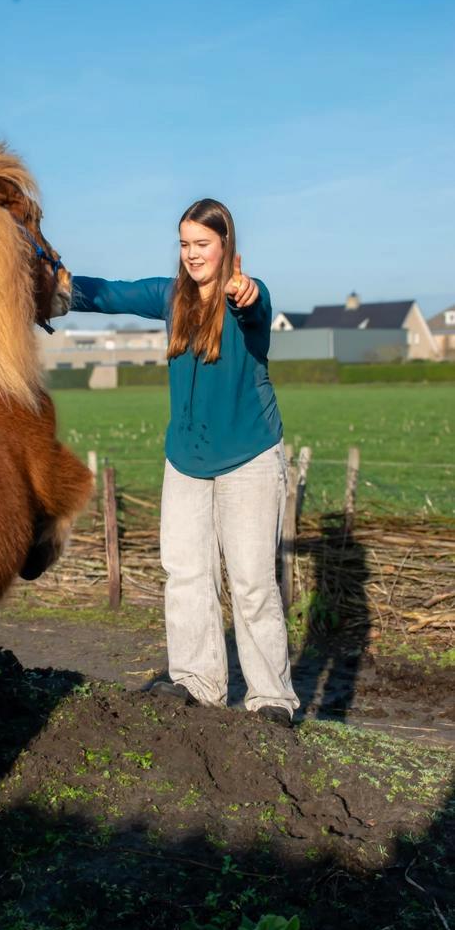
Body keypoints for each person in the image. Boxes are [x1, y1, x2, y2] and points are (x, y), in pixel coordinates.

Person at [70, 199, 299, 726]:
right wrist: (48, 284)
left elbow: (254, 305)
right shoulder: (172, 297)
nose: (192, 254)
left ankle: (271, 698)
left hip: (249, 458)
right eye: (185, 244)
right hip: (186, 460)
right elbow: (109, 293)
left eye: (203, 244)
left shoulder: (248, 295)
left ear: (226, 245)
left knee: (252, 581)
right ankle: (198, 682)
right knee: (186, 575)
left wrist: (244, 291)